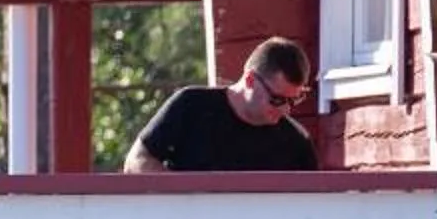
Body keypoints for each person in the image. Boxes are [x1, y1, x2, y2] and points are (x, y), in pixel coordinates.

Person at [124, 38, 317, 173]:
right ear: (250, 80)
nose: (286, 110)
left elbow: (319, 206)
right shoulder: (191, 105)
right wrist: (187, 201)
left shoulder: (295, 140)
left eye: (294, 100)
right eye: (277, 99)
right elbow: (136, 162)